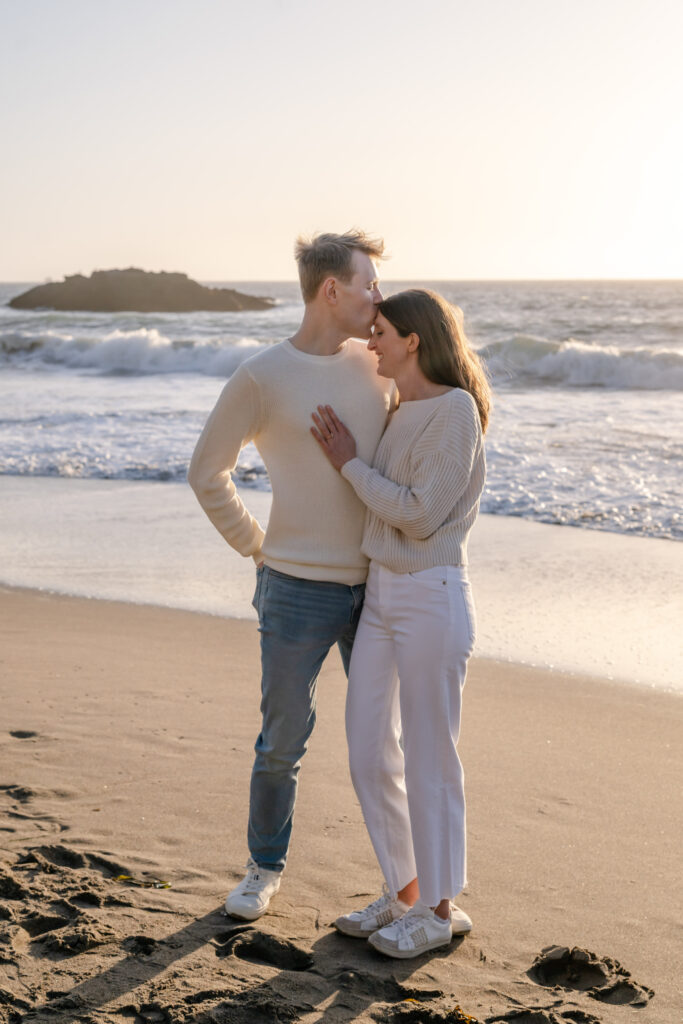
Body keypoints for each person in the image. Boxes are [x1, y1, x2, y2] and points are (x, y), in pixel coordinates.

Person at [188, 230, 395, 920]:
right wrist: (257, 547)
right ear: (331, 290)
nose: (379, 297)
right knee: (282, 741)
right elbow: (206, 471)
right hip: (294, 590)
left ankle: (405, 883)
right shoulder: (261, 375)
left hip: (381, 588)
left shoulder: (383, 363)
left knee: (382, 744)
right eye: (369, 283)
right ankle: (262, 869)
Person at [310, 288, 490, 958]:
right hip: (382, 596)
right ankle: (406, 890)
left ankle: (439, 911)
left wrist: (348, 462)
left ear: (413, 340)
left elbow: (417, 514)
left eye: (380, 332)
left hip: (430, 596)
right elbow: (386, 508)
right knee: (366, 750)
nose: (370, 343)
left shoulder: (454, 410)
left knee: (429, 756)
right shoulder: (397, 409)